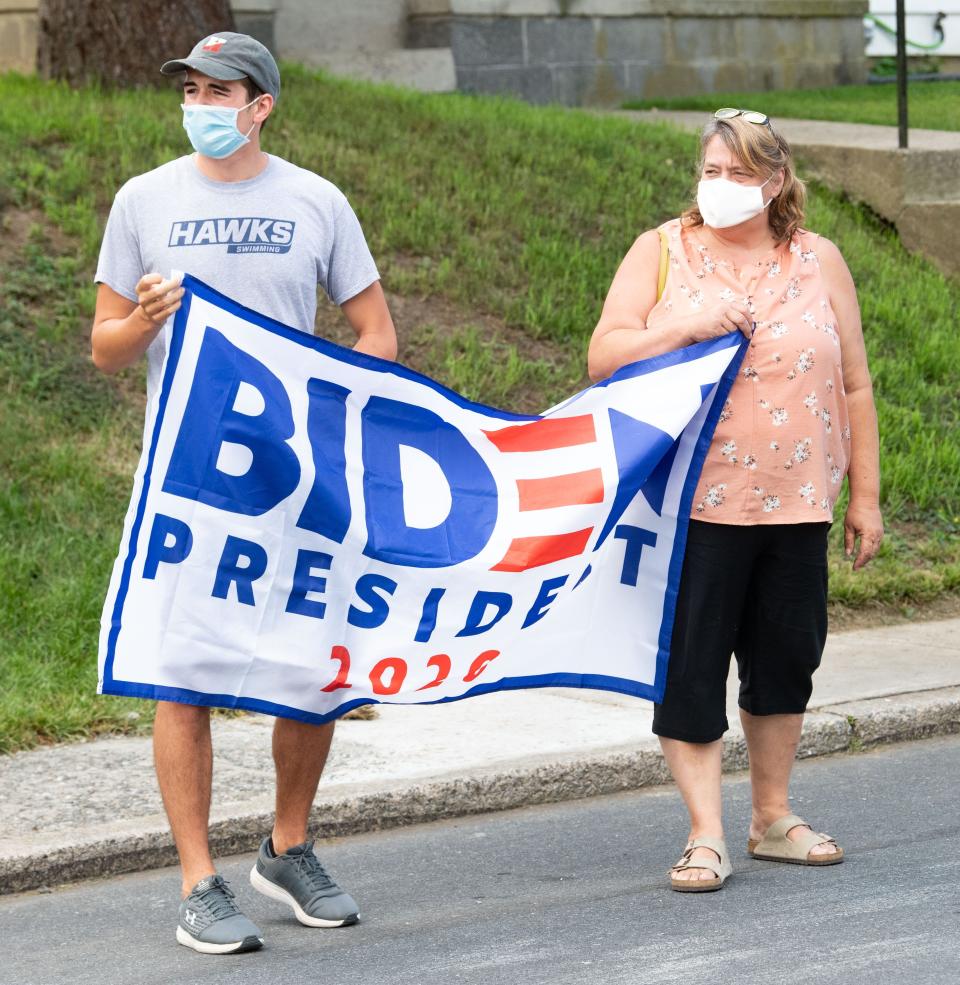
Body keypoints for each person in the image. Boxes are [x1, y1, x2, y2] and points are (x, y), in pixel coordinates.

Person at [92, 32, 397, 951]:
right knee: (182, 676)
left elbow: (376, 331)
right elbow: (103, 345)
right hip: (187, 486)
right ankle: (198, 881)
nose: (199, 103)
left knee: (310, 668)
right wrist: (141, 321)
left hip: (294, 485)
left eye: (218, 90)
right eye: (190, 88)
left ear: (260, 105)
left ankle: (288, 846)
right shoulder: (144, 198)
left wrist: (329, 409)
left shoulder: (316, 201)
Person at [588, 108, 883, 892]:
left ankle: (772, 816)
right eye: (711, 171)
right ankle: (706, 832)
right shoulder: (662, 251)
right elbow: (603, 354)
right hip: (693, 504)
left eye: (740, 174)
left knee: (786, 659)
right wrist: (681, 325)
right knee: (691, 671)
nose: (720, 186)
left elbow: (854, 382)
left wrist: (867, 497)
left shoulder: (819, 259)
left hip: (797, 503)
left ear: (777, 180)